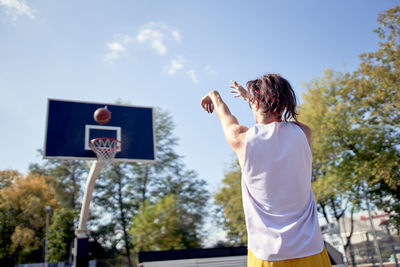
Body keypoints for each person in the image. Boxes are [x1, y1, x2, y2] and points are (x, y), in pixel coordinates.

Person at [200, 73, 332, 267]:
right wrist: (252, 98)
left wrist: (214, 96)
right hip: (311, 250)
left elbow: (226, 116)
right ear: (284, 103)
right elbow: (277, 121)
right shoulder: (303, 133)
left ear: (255, 102)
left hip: (267, 255)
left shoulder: (241, 139)